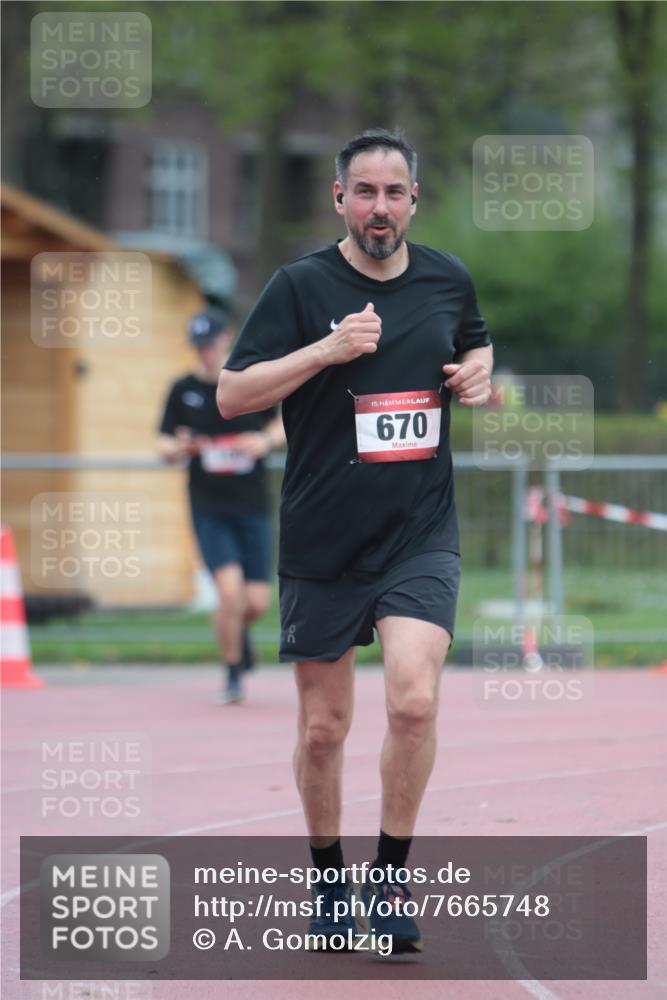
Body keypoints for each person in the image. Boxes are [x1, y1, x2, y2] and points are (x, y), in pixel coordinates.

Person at [217, 128, 493, 951]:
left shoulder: (447, 278)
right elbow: (233, 395)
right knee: (322, 729)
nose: (380, 207)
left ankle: (391, 877)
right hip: (323, 536)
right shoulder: (299, 285)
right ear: (339, 198)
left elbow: (472, 342)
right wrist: (328, 349)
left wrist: (482, 371)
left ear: (413, 201)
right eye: (364, 192)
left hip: (418, 531)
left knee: (413, 698)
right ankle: (330, 882)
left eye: (395, 192)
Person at [158, 305, 285, 704]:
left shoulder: (250, 381)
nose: (204, 353)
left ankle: (238, 635)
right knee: (229, 594)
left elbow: (284, 423)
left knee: (256, 602)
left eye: (209, 344)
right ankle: (233, 674)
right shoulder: (183, 389)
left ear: (225, 338)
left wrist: (263, 441)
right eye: (197, 347)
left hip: (252, 505)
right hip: (208, 505)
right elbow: (164, 442)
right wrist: (180, 447)